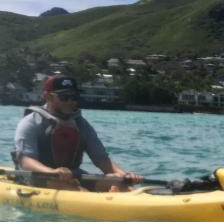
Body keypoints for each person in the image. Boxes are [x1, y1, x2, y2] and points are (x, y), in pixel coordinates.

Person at [11, 75, 144, 191]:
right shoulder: (30, 123)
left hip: (74, 176)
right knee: (77, 189)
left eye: (74, 97)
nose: (71, 101)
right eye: (65, 97)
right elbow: (26, 161)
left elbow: (102, 160)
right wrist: (52, 172)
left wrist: (125, 176)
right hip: (39, 178)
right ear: (48, 97)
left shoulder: (81, 124)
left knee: (118, 183)